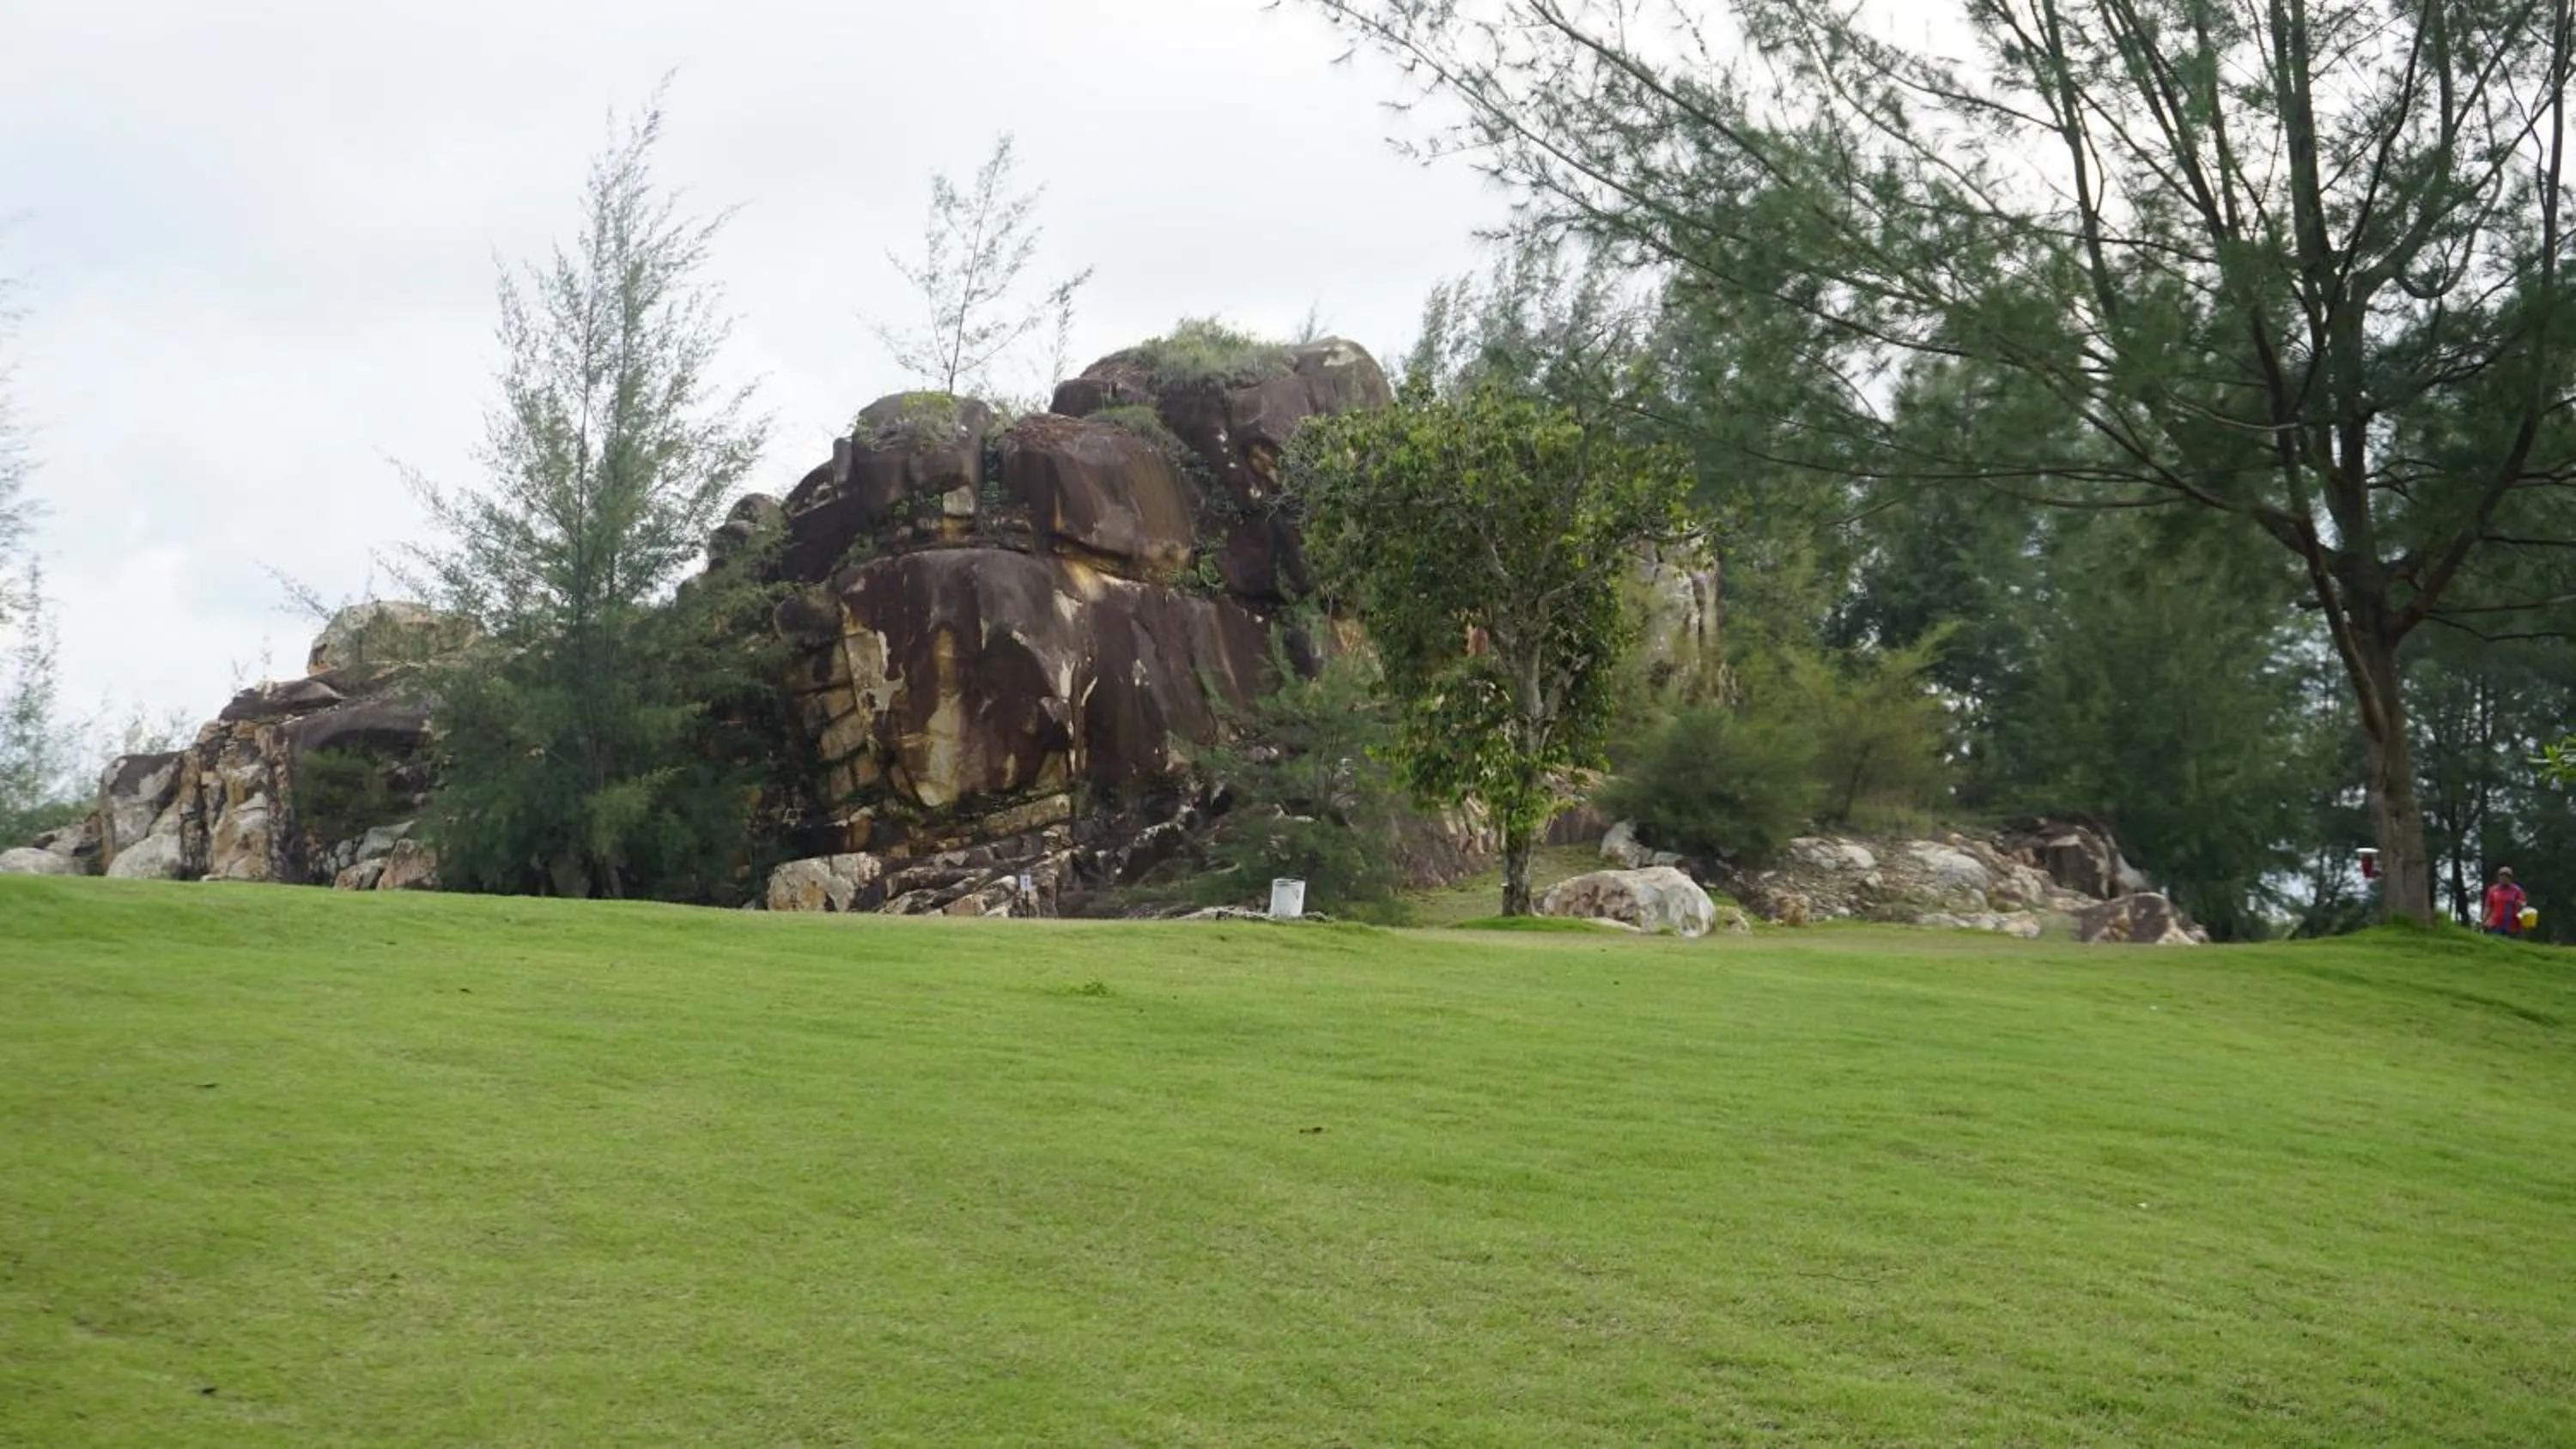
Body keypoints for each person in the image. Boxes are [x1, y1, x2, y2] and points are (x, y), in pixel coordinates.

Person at [2482, 867, 2529, 937]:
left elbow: (2523, 904)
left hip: (2512, 925)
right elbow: (2488, 906)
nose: (2504, 878)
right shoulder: (2493, 890)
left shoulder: (2517, 890)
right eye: (2501, 875)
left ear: (2510, 878)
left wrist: (2520, 905)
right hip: (2495, 924)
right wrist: (2484, 920)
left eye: (2507, 876)